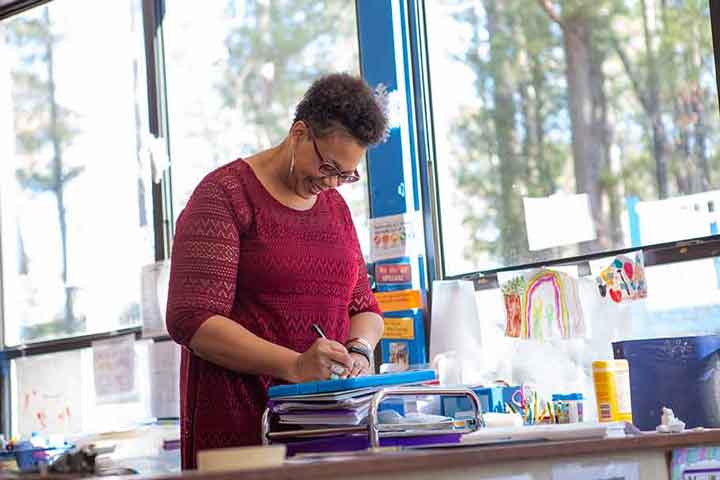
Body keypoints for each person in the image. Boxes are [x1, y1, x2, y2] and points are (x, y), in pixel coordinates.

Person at [165, 73, 389, 469]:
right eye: (328, 166)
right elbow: (191, 320)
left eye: (346, 175)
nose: (331, 182)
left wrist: (359, 349)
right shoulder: (224, 196)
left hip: (327, 433)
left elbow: (364, 307)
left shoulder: (335, 209)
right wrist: (295, 365)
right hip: (242, 435)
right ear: (299, 133)